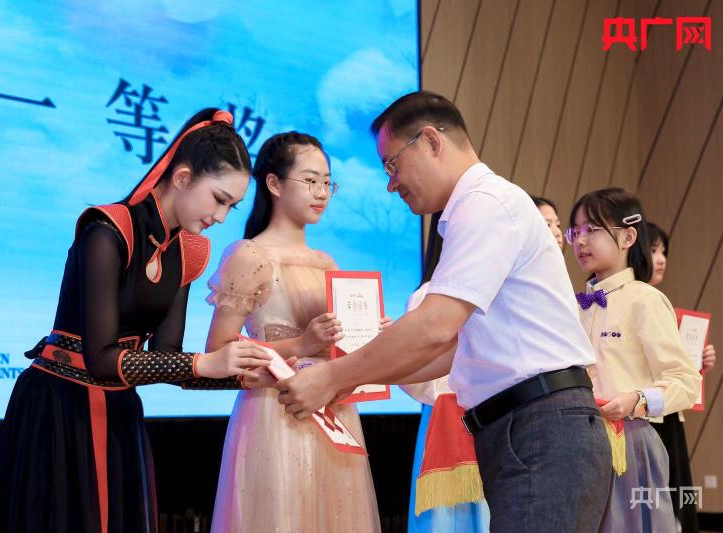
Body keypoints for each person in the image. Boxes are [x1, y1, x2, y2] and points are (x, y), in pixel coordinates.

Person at [277, 91, 612, 533]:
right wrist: (354, 378)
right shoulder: (475, 209)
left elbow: (436, 327)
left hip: (541, 427)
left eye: (393, 165)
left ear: (431, 141)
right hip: (530, 428)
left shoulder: (485, 204)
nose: (391, 185)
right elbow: (450, 350)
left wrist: (333, 376)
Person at [0, 108, 272, 533]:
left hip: (119, 411)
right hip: (60, 411)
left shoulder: (187, 251)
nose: (222, 217)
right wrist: (206, 363)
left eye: (232, 206)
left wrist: (245, 377)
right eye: (218, 199)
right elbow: (101, 359)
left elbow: (168, 359)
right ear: (182, 177)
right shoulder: (107, 230)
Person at [206, 132, 381, 532]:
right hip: (276, 411)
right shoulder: (249, 255)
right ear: (274, 183)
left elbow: (344, 350)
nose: (322, 193)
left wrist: (369, 335)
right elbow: (219, 349)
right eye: (311, 180)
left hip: (335, 413)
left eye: (328, 182)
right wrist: (302, 344)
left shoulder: (326, 262)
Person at [567, 188, 701, 532]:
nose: (580, 241)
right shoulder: (572, 305)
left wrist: (637, 400)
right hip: (578, 444)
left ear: (628, 237)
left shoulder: (645, 300)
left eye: (592, 229)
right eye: (575, 231)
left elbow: (686, 383)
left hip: (630, 443)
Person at [400, 211, 490, 533]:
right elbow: (415, 375)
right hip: (442, 418)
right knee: (442, 517)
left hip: (489, 418)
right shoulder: (425, 297)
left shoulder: (492, 290)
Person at [647, 221, 716, 533]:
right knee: (653, 501)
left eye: (664, 252)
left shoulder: (661, 304)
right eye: (653, 251)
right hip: (644, 413)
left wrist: (698, 365)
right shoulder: (632, 302)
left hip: (669, 412)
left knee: (676, 500)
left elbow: (674, 369)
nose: (661, 259)